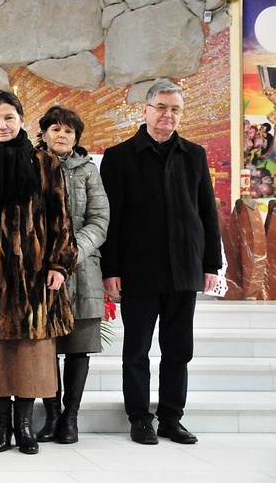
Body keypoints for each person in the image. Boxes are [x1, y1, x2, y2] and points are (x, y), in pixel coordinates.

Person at [100, 81, 222, 445]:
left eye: (175, 109)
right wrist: (111, 269)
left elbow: (207, 212)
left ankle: (171, 417)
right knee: (136, 349)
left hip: (185, 267)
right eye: (161, 107)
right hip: (138, 269)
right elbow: (112, 218)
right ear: (146, 109)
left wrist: (211, 265)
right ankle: (139, 418)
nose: (168, 115)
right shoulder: (119, 156)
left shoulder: (194, 155)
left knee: (178, 349)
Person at [0, 90, 76, 456]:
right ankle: (1, 428)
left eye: (8, 117)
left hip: (34, 274)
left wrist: (59, 264)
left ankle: (25, 428)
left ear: (21, 120)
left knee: (30, 353)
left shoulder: (45, 163)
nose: (2, 125)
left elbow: (60, 218)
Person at [34, 106, 109, 444]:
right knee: (46, 346)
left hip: (80, 269)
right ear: (45, 133)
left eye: (68, 131)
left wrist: (70, 253)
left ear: (76, 137)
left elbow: (99, 219)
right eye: (55, 129)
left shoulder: (88, 170)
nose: (61, 135)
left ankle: (70, 417)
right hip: (40, 269)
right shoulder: (31, 164)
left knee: (78, 348)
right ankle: (50, 416)